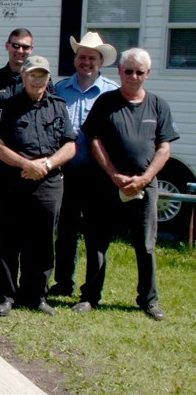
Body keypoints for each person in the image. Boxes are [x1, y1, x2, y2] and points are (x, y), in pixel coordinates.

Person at [77, 48, 178, 321]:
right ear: (119, 72)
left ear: (147, 74)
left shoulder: (158, 105)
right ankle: (90, 297)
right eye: (129, 70)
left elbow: (164, 147)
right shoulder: (105, 102)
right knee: (97, 243)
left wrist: (145, 179)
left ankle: (149, 300)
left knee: (145, 245)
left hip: (144, 187)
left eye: (140, 72)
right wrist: (113, 174)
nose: (134, 76)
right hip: (107, 184)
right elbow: (93, 140)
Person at [0, 56, 76, 317]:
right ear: (24, 76)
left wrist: (46, 165)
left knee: (42, 241)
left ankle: (36, 295)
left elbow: (70, 145)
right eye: (32, 74)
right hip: (14, 181)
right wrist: (24, 164)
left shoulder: (59, 107)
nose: (37, 79)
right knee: (7, 240)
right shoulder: (7, 106)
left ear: (48, 78)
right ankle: (6, 295)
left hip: (48, 183)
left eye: (42, 75)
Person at [49, 32, 119, 297]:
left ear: (100, 62)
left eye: (92, 58)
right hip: (66, 172)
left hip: (99, 175)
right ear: (75, 59)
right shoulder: (60, 89)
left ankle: (92, 289)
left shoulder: (111, 92)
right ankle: (63, 283)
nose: (86, 62)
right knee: (65, 231)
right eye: (82, 57)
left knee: (95, 235)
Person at [0, 28, 54, 121]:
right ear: (7, 46)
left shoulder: (41, 80)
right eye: (16, 45)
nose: (20, 51)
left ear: (31, 49)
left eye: (25, 47)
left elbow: (52, 108)